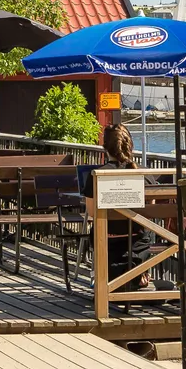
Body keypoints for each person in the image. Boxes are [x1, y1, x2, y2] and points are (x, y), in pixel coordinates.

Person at [79, 123, 153, 291]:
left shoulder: (97, 175)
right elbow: (149, 211)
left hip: (108, 240)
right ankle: (138, 273)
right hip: (138, 241)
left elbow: (92, 212)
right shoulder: (145, 174)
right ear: (130, 145)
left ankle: (111, 277)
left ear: (105, 147)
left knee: (97, 229)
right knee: (146, 230)